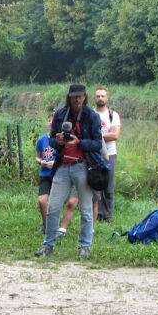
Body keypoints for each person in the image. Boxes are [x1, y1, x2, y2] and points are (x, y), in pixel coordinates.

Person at [36, 84, 103, 260]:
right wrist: (57, 141)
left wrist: (78, 142)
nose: (77, 99)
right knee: (53, 207)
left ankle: (84, 246)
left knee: (86, 209)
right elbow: (51, 141)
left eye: (80, 96)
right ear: (69, 97)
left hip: (83, 165)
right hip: (63, 166)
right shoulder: (60, 114)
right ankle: (48, 245)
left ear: (85, 97)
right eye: (74, 96)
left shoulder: (91, 116)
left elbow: (97, 143)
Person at [93, 87, 120, 222]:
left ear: (107, 98)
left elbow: (115, 135)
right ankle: (97, 215)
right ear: (94, 98)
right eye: (98, 96)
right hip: (93, 155)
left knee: (109, 187)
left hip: (110, 154)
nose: (100, 98)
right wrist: (104, 136)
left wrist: (96, 136)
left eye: (103, 96)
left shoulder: (113, 115)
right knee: (95, 185)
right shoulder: (90, 114)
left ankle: (108, 216)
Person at [35, 112, 56, 233]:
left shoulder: (60, 140)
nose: (51, 122)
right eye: (49, 120)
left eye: (53, 120)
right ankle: (45, 224)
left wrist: (55, 163)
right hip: (45, 175)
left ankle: (55, 226)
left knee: (54, 203)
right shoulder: (42, 139)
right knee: (42, 201)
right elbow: (37, 157)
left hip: (57, 175)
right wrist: (41, 161)